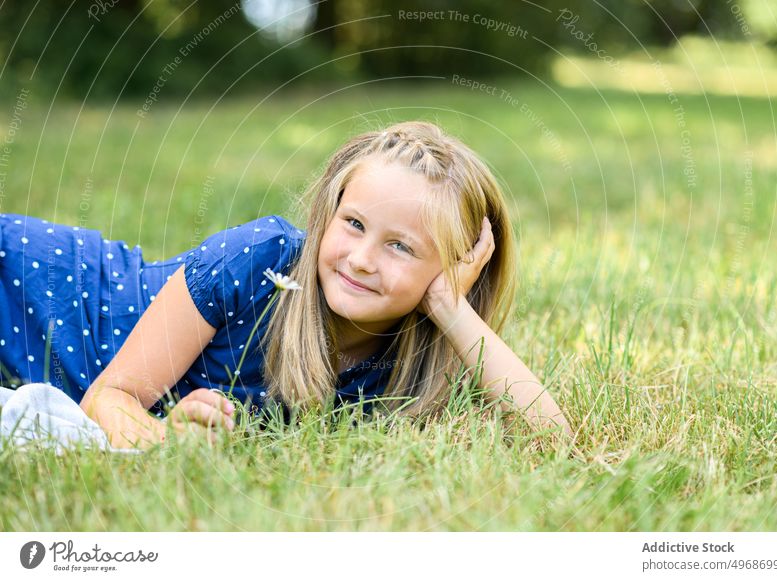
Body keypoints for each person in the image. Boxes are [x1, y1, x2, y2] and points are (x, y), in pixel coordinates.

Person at [0, 121, 573, 449]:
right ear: (330, 212)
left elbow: (551, 436)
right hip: (31, 289)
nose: (363, 258)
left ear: (452, 272)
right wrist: (163, 443)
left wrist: (452, 308)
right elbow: (110, 396)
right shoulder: (263, 262)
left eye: (401, 246)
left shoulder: (410, 356)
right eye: (353, 224)